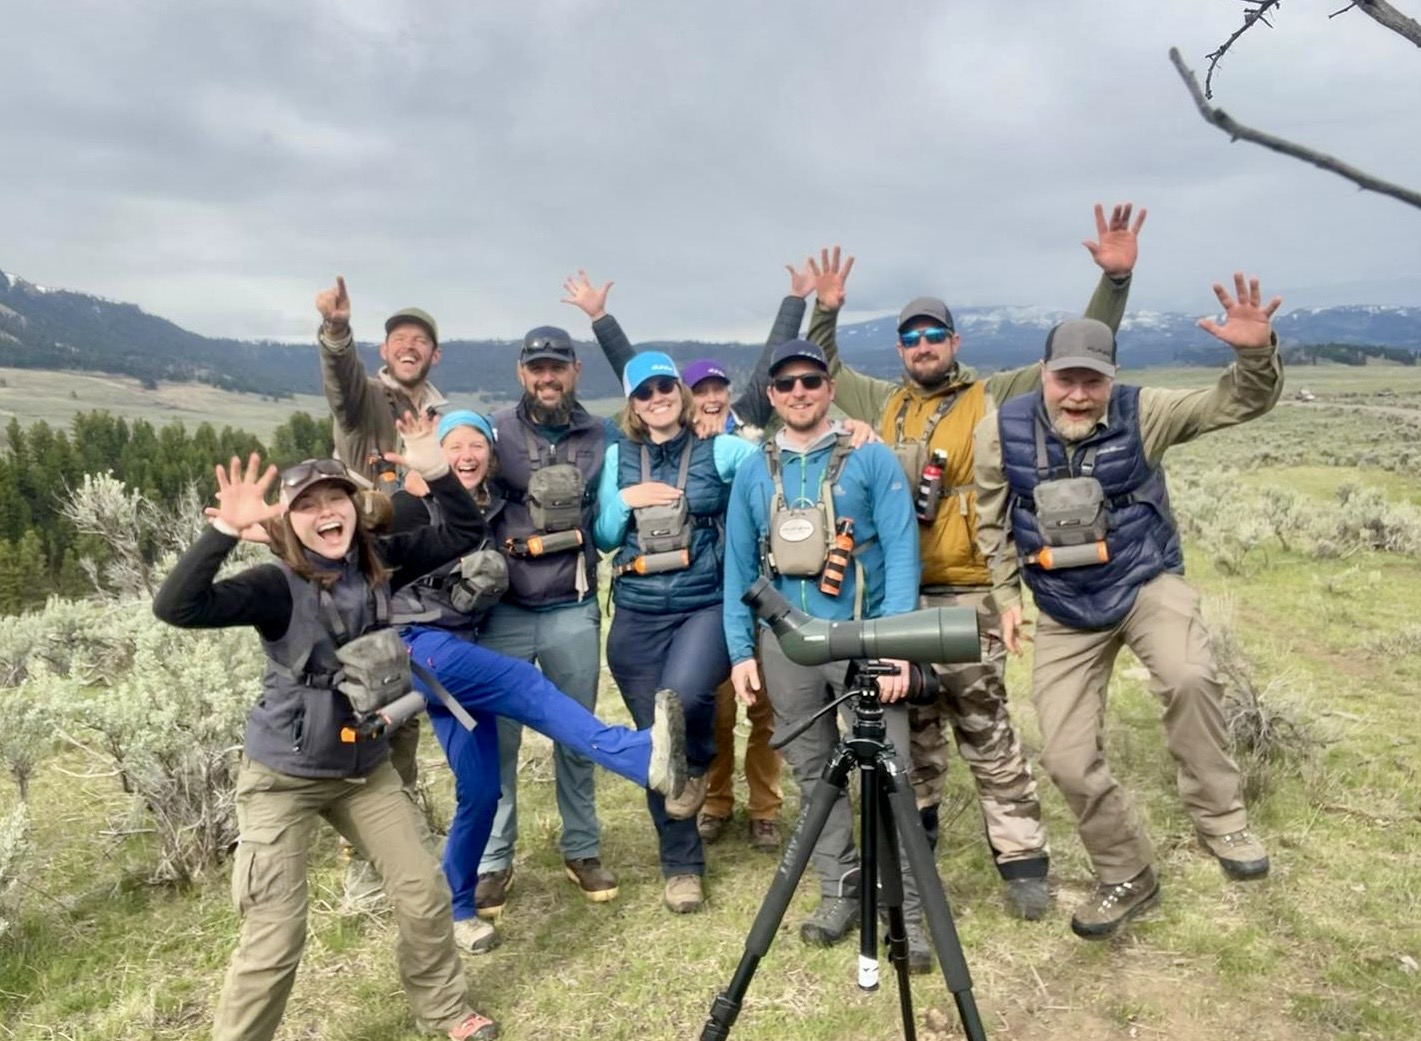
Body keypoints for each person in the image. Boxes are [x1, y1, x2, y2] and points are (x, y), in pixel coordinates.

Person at [803, 207, 1145, 919]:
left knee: (983, 723)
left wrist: (1112, 280)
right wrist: (824, 310)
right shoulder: (880, 399)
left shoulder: (992, 394)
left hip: (968, 593)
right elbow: (825, 370)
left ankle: (1020, 860)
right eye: (910, 336)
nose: (921, 346)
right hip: (895, 596)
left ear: (953, 342)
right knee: (915, 730)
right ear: (899, 347)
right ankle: (916, 853)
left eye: (933, 335)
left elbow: (1071, 359)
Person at [152, 417, 497, 1041]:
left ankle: (444, 1012)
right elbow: (177, 607)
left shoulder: (379, 559)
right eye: (305, 506)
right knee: (276, 933)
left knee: (423, 891)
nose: (324, 513)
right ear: (287, 521)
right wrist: (224, 532)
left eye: (334, 498)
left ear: (354, 507)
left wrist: (438, 470)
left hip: (364, 769)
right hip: (282, 779)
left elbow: (467, 530)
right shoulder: (273, 586)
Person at [973, 273, 1283, 940]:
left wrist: (1253, 355)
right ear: (1044, 376)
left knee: (1189, 674)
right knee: (1064, 754)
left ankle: (1221, 820)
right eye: (1065, 380)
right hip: (1061, 601)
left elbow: (1236, 403)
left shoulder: (1146, 412)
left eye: (1092, 380)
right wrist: (1004, 596)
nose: (1078, 394)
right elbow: (989, 521)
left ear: (1110, 378)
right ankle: (1126, 872)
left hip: (1144, 579)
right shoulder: (999, 430)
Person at [389, 409, 691, 947]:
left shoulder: (488, 504)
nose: (466, 455)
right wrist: (414, 482)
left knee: (479, 792)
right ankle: (640, 755)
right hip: (420, 644)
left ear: (492, 453)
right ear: (436, 453)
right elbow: (376, 532)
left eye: (476, 444)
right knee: (526, 688)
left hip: (456, 652)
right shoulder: (411, 502)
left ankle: (457, 911)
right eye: (452, 445)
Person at [722, 339, 935, 972]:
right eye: (785, 384)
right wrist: (741, 651)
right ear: (771, 396)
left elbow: (901, 553)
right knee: (815, 773)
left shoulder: (869, 458)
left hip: (864, 639)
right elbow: (738, 565)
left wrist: (897, 648)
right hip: (786, 645)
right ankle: (837, 890)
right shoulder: (755, 470)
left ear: (828, 387)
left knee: (889, 771)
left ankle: (908, 916)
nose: (798, 393)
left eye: (809, 381)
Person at [589, 351, 758, 912]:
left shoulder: (721, 448)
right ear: (632, 406)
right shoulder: (619, 456)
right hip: (636, 613)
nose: (657, 398)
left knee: (684, 701)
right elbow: (607, 536)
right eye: (644, 393)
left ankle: (701, 763)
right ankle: (681, 867)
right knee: (658, 749)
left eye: (665, 387)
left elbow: (776, 462)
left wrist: (847, 433)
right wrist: (623, 499)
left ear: (680, 394)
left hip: (703, 606)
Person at [313, 276, 447, 900]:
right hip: (362, 567)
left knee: (404, 704)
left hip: (414, 577)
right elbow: (340, 385)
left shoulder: (441, 417)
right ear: (385, 349)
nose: (409, 347)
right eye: (398, 339)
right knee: (362, 701)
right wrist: (338, 334)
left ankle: (401, 841)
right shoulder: (366, 402)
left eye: (420, 341)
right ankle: (362, 862)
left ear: (434, 354)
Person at [474, 327, 615, 917]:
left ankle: (580, 848)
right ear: (521, 372)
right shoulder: (494, 430)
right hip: (504, 610)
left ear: (575, 370)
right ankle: (493, 860)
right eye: (537, 368)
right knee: (498, 742)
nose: (547, 377)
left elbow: (608, 516)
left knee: (575, 734)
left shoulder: (599, 436)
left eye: (557, 367)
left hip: (572, 608)